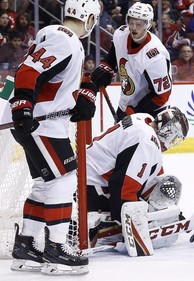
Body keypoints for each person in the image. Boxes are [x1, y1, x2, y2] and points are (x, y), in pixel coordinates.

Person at [8, 0, 100, 275]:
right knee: (64, 178)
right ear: (88, 17)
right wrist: (23, 104)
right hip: (42, 124)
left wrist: (87, 87)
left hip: (43, 123)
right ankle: (56, 250)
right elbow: (29, 72)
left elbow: (58, 76)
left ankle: (25, 247)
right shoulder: (64, 39)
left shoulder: (59, 38)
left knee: (44, 183)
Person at [86, 107, 189, 253]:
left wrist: (166, 212)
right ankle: (97, 230)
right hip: (90, 187)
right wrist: (133, 224)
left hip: (87, 174)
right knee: (131, 210)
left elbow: (150, 178)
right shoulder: (146, 141)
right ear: (168, 131)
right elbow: (123, 189)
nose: (172, 142)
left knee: (154, 189)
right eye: (174, 137)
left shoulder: (143, 119)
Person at [91, 2, 173, 121]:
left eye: (139, 24)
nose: (134, 28)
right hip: (126, 104)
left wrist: (134, 112)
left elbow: (162, 96)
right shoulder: (120, 35)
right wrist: (106, 70)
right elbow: (112, 58)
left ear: (148, 24)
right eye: (131, 22)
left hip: (153, 111)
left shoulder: (155, 55)